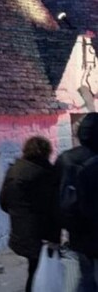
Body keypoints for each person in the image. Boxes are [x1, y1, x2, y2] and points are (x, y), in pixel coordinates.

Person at [0, 136, 61, 292]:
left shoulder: (14, 170)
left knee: (34, 269)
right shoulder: (46, 174)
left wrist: (18, 214)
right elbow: (52, 207)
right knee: (37, 273)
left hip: (20, 231)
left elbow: (4, 201)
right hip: (41, 234)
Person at [56, 112, 98, 292]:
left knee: (85, 276)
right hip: (94, 227)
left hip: (76, 230)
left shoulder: (65, 158)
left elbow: (54, 194)